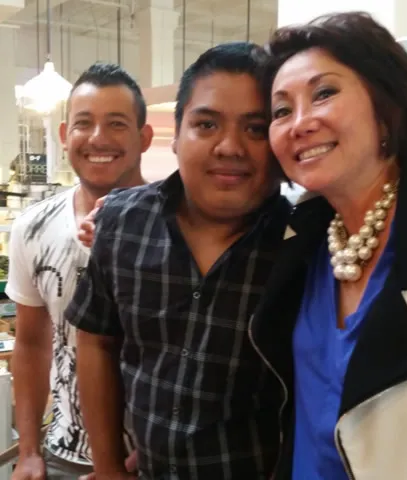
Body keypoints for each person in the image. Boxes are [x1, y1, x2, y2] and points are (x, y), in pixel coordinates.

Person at [249, 11, 407, 480]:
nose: (299, 123)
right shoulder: (302, 243)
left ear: (384, 107)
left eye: (324, 93)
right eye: (281, 111)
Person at [65, 42, 290, 479]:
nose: (230, 147)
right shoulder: (122, 221)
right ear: (176, 133)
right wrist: (108, 465)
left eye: (256, 129)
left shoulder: (304, 245)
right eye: (206, 124)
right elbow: (96, 339)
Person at [6, 62, 153, 480]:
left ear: (144, 137)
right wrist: (29, 451)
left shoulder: (175, 224)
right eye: (83, 124)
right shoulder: (33, 227)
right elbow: (31, 344)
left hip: (158, 457)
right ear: (64, 134)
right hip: (64, 453)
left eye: (117, 124)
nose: (98, 138)